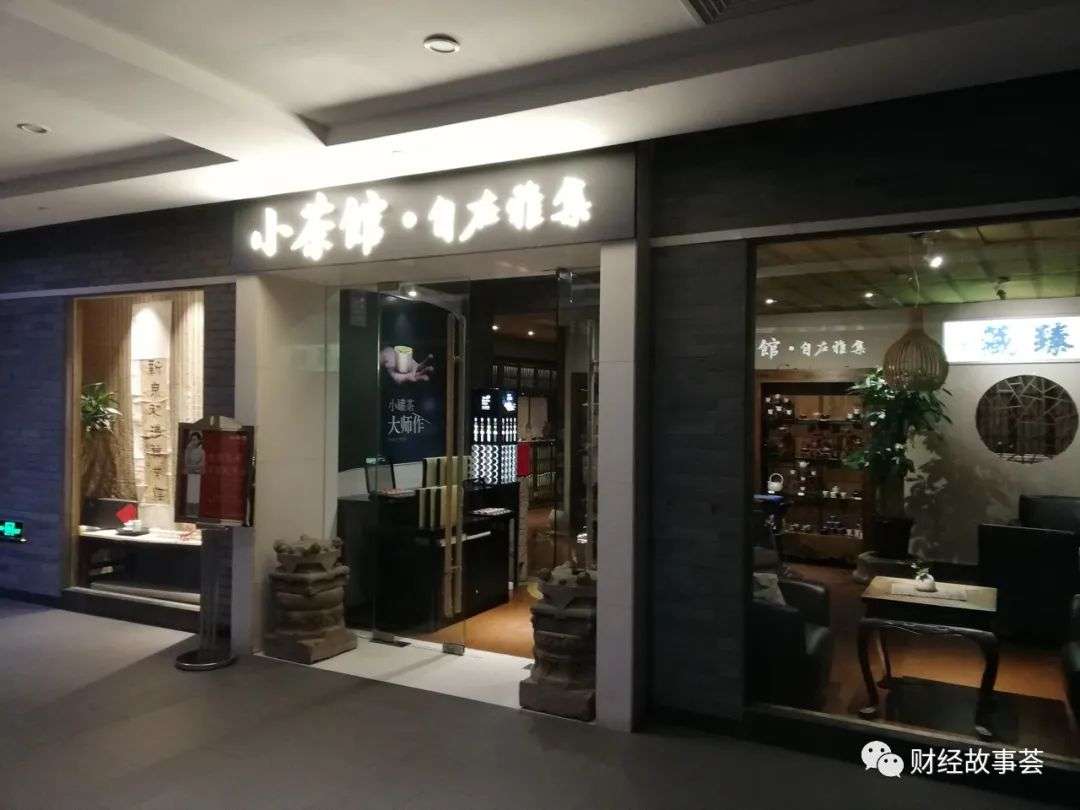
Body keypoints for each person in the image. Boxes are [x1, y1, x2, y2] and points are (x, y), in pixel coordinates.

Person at [183, 431, 205, 516]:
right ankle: (188, 512)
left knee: (196, 495)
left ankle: (196, 512)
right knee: (189, 494)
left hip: (198, 476)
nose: (193, 441)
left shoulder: (202, 452)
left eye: (195, 439)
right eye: (192, 440)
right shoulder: (188, 451)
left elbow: (201, 465)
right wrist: (193, 467)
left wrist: (194, 467)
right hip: (189, 475)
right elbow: (186, 464)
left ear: (199, 440)